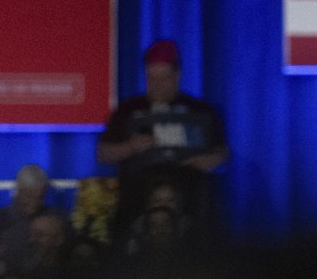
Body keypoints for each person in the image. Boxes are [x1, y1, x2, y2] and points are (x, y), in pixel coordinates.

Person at [96, 39, 228, 241]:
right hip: (136, 209)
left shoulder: (202, 111)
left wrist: (210, 160)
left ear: (178, 74)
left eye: (164, 78)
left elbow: (223, 154)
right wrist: (129, 147)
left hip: (190, 209)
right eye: (151, 78)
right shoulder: (127, 110)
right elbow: (103, 153)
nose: (157, 86)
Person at [0, 164, 65, 273]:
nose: (34, 204)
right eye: (29, 196)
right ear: (18, 191)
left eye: (39, 198)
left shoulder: (56, 218)